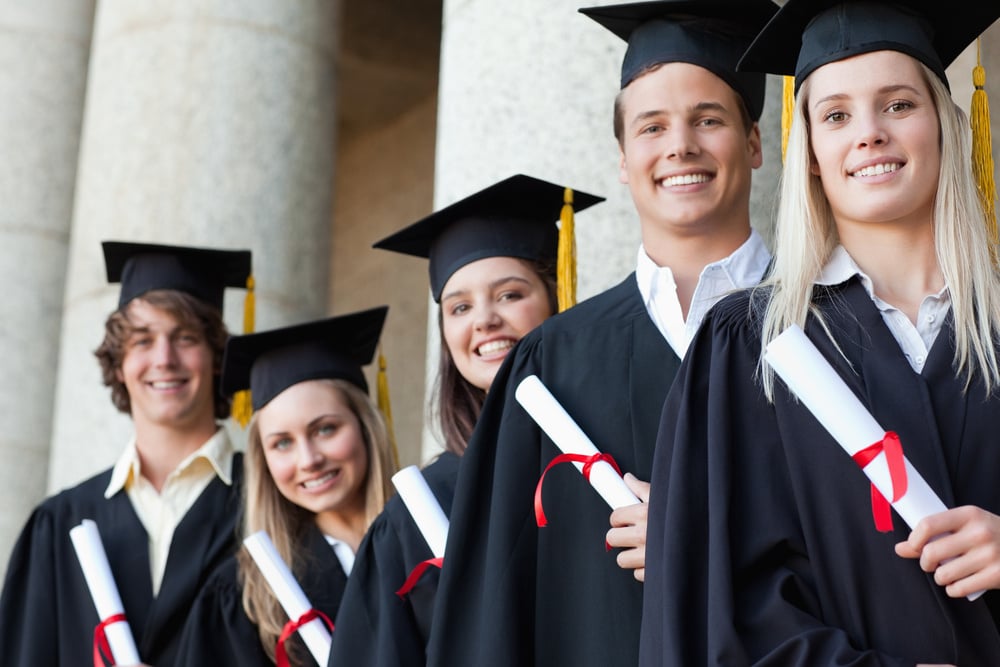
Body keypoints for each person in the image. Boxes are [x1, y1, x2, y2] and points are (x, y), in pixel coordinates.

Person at [640, 1, 1000, 665]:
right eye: (836, 115)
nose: (869, 134)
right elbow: (722, 607)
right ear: (808, 150)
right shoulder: (748, 348)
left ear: (946, 127)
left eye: (897, 105)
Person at [426, 2, 778, 665]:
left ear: (754, 143)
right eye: (652, 127)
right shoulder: (551, 362)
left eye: (708, 119)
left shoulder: (827, 335)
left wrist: (702, 532)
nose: (681, 146)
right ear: (622, 159)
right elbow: (492, 613)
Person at [327, 174, 604, 667]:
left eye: (510, 295)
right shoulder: (416, 513)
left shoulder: (617, 452)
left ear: (556, 300)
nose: (484, 321)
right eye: (459, 307)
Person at [0, 241, 251, 666]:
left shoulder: (271, 501)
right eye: (142, 341)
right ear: (118, 364)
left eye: (185, 337)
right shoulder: (60, 523)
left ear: (216, 359)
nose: (164, 359)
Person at [174, 307, 397, 666]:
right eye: (282, 443)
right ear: (263, 461)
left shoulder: (433, 544)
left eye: (325, 429)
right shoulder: (247, 593)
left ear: (365, 427)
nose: (308, 459)